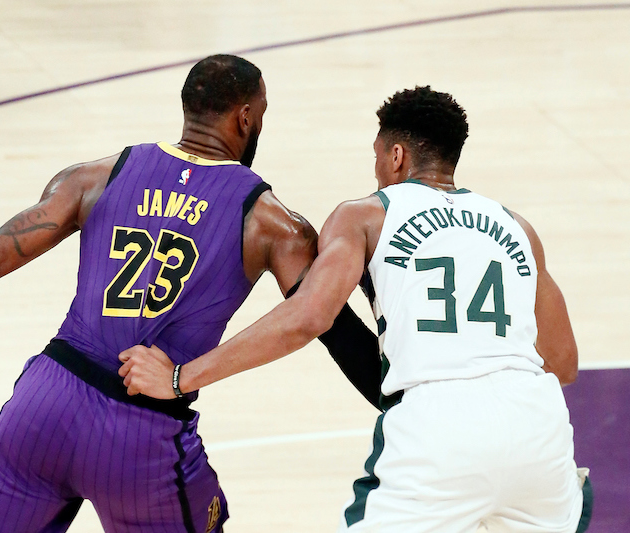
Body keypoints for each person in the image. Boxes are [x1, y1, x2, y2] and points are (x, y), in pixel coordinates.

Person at [0, 55, 379, 533]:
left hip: (44, 407)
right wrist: (396, 399)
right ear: (245, 118)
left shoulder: (94, 177)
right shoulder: (273, 224)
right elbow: (329, 325)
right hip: (141, 430)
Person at [118, 86, 593, 532]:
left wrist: (179, 378)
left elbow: (308, 317)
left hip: (438, 427)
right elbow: (563, 362)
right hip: (538, 429)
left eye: (376, 157)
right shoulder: (518, 227)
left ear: (396, 155)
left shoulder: (366, 214)